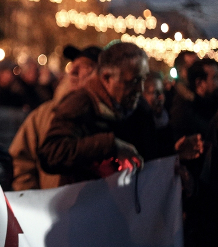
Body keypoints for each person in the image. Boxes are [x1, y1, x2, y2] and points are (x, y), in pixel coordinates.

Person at [37, 42, 148, 185]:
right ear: (107, 78)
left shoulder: (139, 109)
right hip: (84, 203)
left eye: (143, 79)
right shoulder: (79, 104)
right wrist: (110, 145)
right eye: (133, 81)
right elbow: (52, 154)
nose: (140, 89)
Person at [8, 45, 101, 190]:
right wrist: (32, 200)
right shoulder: (44, 114)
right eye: (73, 65)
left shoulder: (108, 116)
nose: (73, 72)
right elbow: (21, 160)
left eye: (86, 67)